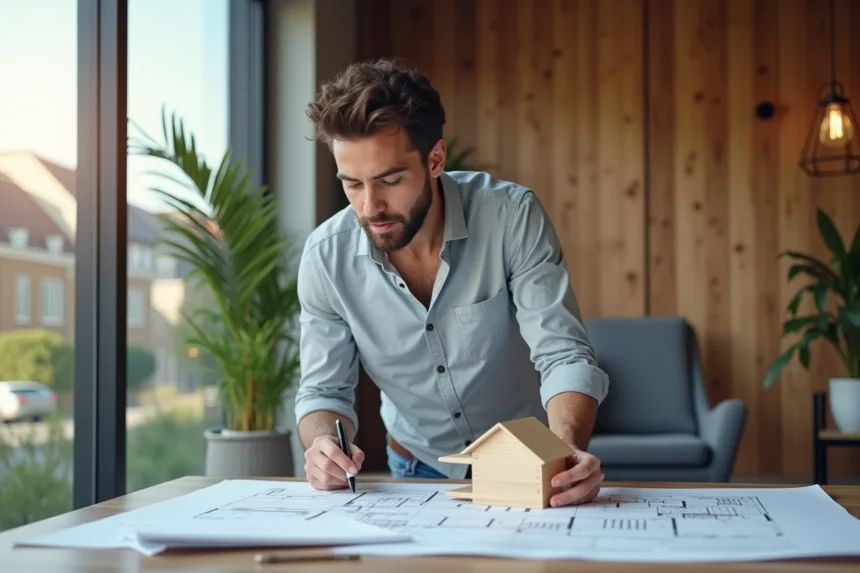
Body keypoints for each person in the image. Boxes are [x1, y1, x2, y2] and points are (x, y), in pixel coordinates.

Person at [295, 58, 610, 507]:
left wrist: (566, 447)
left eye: (390, 180)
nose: (370, 206)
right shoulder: (325, 258)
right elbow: (323, 391)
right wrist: (322, 446)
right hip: (415, 465)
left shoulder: (510, 218)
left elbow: (563, 353)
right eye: (353, 184)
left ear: (435, 159)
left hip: (531, 462)